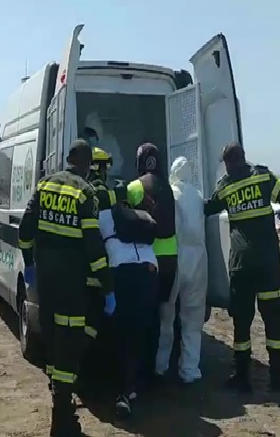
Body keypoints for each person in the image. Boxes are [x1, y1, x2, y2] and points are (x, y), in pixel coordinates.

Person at [18, 139, 115, 437]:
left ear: (68, 159)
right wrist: (107, 285)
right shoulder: (84, 193)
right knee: (69, 348)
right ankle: (61, 422)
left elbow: (26, 228)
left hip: (46, 283)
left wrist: (29, 264)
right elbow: (92, 244)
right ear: (87, 163)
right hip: (72, 285)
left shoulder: (45, 185)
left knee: (52, 343)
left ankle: (63, 414)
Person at [204, 142, 280, 392]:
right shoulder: (263, 176)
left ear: (229, 162)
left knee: (241, 321)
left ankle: (242, 377)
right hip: (268, 264)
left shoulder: (227, 185)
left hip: (241, 266)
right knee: (273, 320)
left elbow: (209, 207)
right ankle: (276, 378)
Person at [87, 147, 158, 417]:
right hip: (149, 269)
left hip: (119, 272)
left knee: (114, 333)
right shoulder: (121, 201)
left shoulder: (95, 204)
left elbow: (91, 244)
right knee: (138, 332)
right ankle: (134, 386)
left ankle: (119, 394)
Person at [127, 143, 178, 387]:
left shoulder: (134, 187)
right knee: (162, 317)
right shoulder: (169, 187)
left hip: (148, 260)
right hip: (171, 259)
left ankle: (141, 372)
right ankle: (159, 369)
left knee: (141, 318)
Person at [156, 157, 208, 384]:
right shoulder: (196, 196)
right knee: (193, 319)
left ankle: (160, 366)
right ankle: (190, 370)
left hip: (175, 256)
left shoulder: (170, 193)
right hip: (198, 259)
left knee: (166, 316)